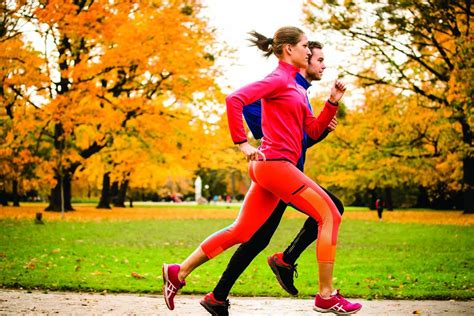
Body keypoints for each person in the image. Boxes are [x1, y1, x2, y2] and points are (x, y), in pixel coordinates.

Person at [162, 26, 362, 315]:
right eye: (305, 46)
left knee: (242, 231)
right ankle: (326, 295)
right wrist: (242, 143)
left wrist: (332, 103)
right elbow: (235, 100)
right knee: (330, 214)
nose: (309, 51)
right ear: (288, 49)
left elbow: (312, 129)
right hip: (275, 164)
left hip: (272, 167)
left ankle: (178, 272)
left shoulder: (295, 87)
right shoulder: (279, 78)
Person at [200, 40, 345, 316]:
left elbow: (300, 141)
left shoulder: (300, 93)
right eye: (318, 59)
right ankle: (281, 264)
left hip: (290, 173)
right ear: (302, 58)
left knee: (257, 238)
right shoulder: (278, 88)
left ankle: (219, 296)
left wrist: (321, 128)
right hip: (276, 174)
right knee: (259, 235)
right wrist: (244, 142)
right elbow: (267, 130)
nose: (322, 65)